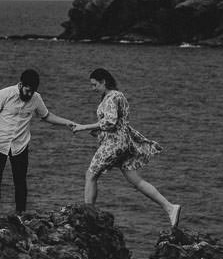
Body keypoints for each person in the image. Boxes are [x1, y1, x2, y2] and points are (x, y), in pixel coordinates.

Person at [71, 67, 182, 229]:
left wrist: (84, 127)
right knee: (136, 181)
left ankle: (89, 216)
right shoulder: (118, 95)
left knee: (90, 175)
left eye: (95, 85)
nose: (93, 89)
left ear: (104, 82)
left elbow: (110, 122)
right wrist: (97, 130)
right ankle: (170, 208)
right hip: (124, 143)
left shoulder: (111, 97)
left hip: (114, 144)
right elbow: (118, 123)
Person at [0, 68, 78, 215]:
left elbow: (47, 116)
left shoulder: (36, 98)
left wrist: (67, 122)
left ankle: (20, 215)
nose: (29, 94)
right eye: (27, 90)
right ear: (21, 85)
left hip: (20, 145)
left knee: (20, 182)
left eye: (32, 91)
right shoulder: (4, 94)